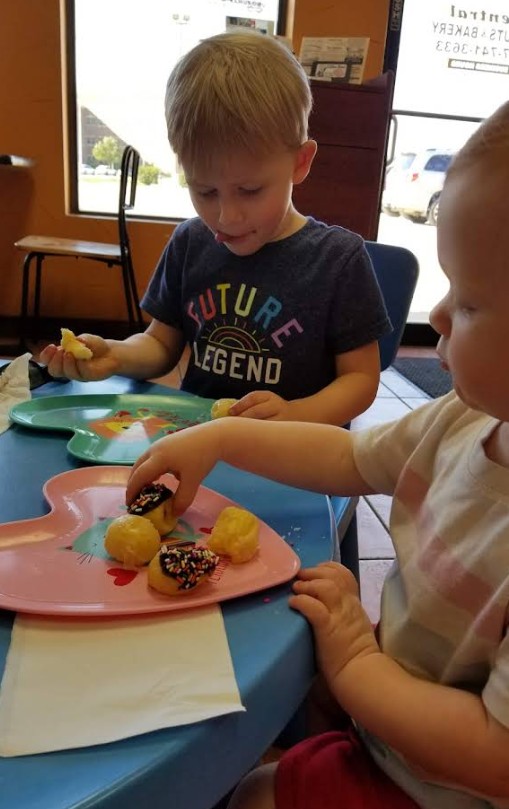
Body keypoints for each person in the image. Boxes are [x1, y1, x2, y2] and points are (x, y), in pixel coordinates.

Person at [125, 99, 509, 809]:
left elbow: (495, 757)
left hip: (441, 787)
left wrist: (356, 660)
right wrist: (220, 437)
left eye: (469, 301)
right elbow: (348, 459)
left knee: (250, 795)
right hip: (398, 708)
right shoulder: (461, 421)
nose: (435, 315)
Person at [40, 31, 390, 426]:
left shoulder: (338, 260)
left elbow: (360, 380)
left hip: (295, 450)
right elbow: (160, 345)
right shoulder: (190, 242)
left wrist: (294, 415)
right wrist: (116, 355)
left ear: (300, 162)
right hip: (198, 441)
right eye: (204, 191)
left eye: (250, 190)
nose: (226, 217)